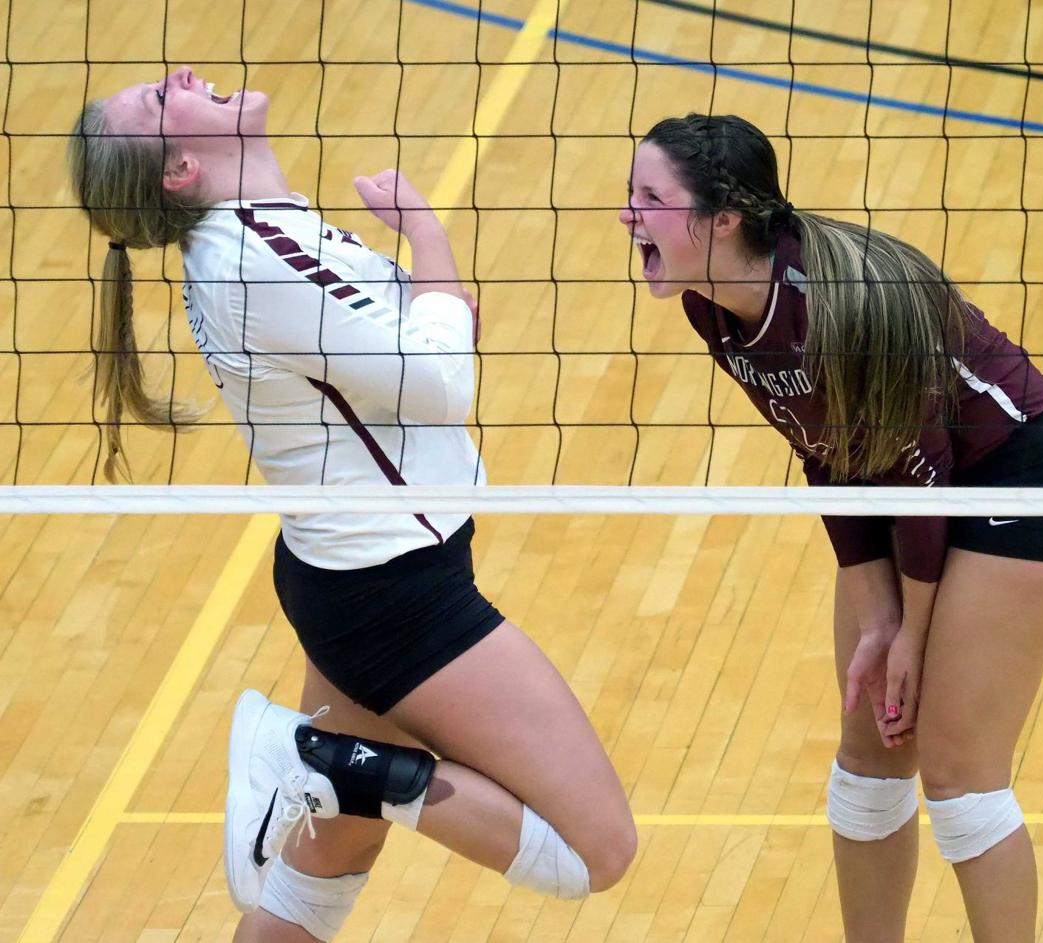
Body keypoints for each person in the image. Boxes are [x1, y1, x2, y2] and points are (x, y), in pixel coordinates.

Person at [68, 66, 636, 942]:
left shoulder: (260, 232)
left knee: (314, 885)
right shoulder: (256, 259)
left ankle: (330, 767)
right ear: (179, 168)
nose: (179, 74)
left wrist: (431, 308)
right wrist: (429, 244)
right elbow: (442, 381)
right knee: (596, 851)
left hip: (346, 573)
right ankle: (312, 758)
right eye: (157, 99)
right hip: (395, 595)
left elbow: (398, 346)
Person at [618, 113, 1043, 943]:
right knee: (870, 755)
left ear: (723, 218)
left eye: (651, 199)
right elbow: (824, 452)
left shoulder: (838, 310)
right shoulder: (715, 306)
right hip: (901, 480)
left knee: (959, 777)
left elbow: (923, 474)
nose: (629, 216)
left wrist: (907, 624)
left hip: (1010, 472)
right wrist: (877, 616)